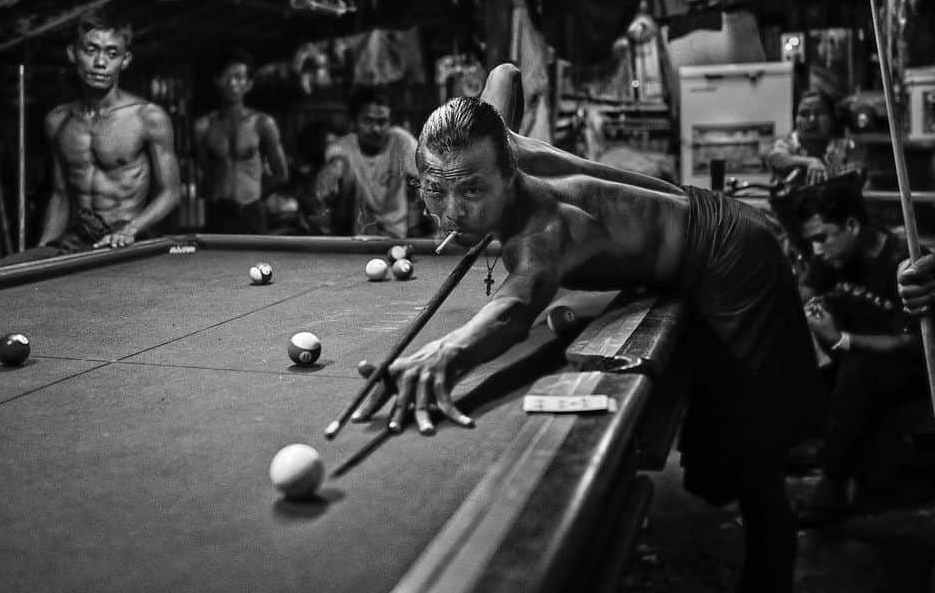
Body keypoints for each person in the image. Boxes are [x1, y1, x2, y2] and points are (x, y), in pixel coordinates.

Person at [352, 64, 825, 593]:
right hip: (702, 221)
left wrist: (445, 352)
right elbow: (505, 73)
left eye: (471, 192)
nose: (452, 211)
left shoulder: (541, 230)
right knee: (723, 445)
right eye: (436, 190)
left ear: (508, 172)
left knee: (753, 449)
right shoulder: (491, 134)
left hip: (734, 257)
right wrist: (486, 126)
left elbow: (513, 309)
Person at [0, 9, 181, 266]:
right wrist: (42, 252)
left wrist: (131, 229)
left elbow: (171, 192)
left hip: (127, 240)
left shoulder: (147, 117)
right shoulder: (58, 121)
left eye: (112, 53)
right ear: (73, 53)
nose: (101, 62)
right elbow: (60, 196)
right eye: (91, 50)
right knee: (4, 268)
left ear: (125, 60)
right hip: (78, 238)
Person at [795, 183, 927, 524]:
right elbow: (800, 295)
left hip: (906, 369)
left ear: (852, 226)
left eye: (823, 236)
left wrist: (841, 339)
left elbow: (910, 343)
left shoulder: (903, 262)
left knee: (860, 369)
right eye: (812, 240)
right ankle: (805, 443)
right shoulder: (831, 257)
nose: (818, 249)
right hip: (851, 361)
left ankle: (832, 483)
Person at [194, 49, 289, 234]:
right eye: (225, 77)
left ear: (249, 84)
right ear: (216, 81)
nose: (232, 83)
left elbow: (281, 173)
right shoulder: (203, 127)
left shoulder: (263, 123)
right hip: (218, 212)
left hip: (251, 211)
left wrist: (254, 195)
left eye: (238, 77)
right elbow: (205, 170)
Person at [313, 87, 420, 238]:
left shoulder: (401, 140)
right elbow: (337, 161)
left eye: (382, 121)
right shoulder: (343, 146)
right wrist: (333, 169)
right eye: (368, 121)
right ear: (354, 122)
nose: (376, 128)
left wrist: (418, 229)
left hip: (396, 239)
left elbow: (426, 180)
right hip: (356, 240)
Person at [767, 88, 855, 188]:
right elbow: (776, 159)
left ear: (832, 118)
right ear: (795, 119)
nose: (812, 120)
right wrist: (811, 162)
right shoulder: (787, 143)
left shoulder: (843, 147)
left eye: (818, 113)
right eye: (804, 114)